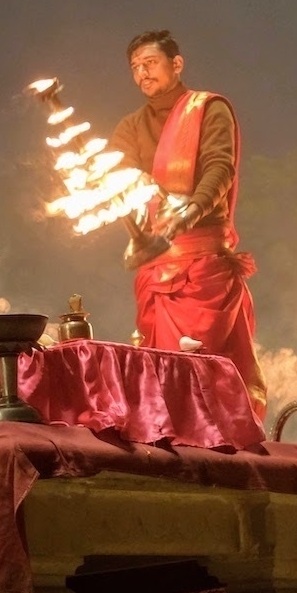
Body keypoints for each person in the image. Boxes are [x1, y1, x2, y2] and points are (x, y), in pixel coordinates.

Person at [109, 30, 267, 419]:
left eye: (150, 63)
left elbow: (220, 167)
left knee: (210, 375)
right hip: (156, 271)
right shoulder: (130, 126)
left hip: (204, 270)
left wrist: (191, 211)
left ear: (176, 64)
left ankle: (223, 440)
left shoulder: (208, 108)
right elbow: (117, 183)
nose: (142, 73)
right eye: (135, 67)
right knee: (163, 375)